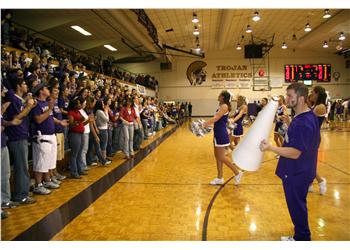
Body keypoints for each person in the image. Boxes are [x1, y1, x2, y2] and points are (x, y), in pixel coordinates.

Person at [259, 83, 320, 241]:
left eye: (289, 96)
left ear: (300, 98)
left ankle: (302, 238)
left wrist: (270, 148)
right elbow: (302, 139)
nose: (286, 99)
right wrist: (289, 124)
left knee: (297, 207)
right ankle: (300, 235)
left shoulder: (303, 122)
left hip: (296, 173)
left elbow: (294, 152)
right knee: (298, 205)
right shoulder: (306, 116)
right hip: (302, 170)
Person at [203, 90, 243, 186]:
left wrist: (205, 124)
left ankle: (237, 173)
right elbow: (218, 121)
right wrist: (210, 126)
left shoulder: (224, 106)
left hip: (221, 134)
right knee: (217, 156)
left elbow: (216, 118)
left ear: (223, 97)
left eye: (220, 95)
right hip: (217, 133)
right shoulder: (222, 106)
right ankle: (219, 177)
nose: (218, 96)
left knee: (221, 156)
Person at [308, 86, 327, 195]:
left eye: (312, 93)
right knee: (309, 161)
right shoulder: (316, 105)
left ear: (317, 94)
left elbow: (308, 119)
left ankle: (321, 181)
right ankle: (310, 184)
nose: (311, 95)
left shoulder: (320, 107)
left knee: (308, 162)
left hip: (313, 137)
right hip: (311, 136)